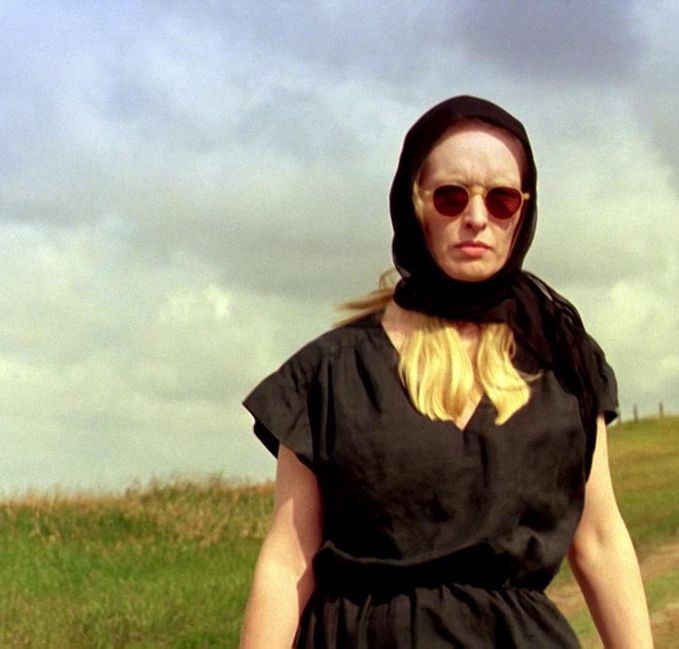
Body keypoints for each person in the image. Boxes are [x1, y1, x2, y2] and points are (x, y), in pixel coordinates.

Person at [238, 96, 653, 648]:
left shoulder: (564, 365)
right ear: (415, 203)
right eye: (451, 197)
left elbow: (599, 540)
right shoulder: (329, 374)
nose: (476, 218)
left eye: (501, 200)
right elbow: (289, 557)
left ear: (523, 211)